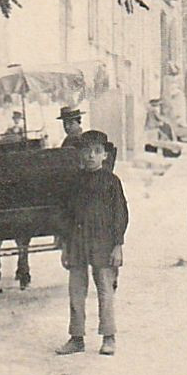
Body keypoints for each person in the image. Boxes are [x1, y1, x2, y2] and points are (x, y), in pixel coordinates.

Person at [56, 130, 128, 356]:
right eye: (86, 151)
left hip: (103, 241)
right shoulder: (73, 182)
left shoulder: (111, 182)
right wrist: (66, 245)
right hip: (77, 240)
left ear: (105, 156)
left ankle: (109, 337)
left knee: (105, 289)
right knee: (76, 290)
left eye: (96, 152)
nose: (90, 156)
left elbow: (121, 214)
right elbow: (66, 215)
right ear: (80, 155)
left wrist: (117, 245)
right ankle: (76, 337)